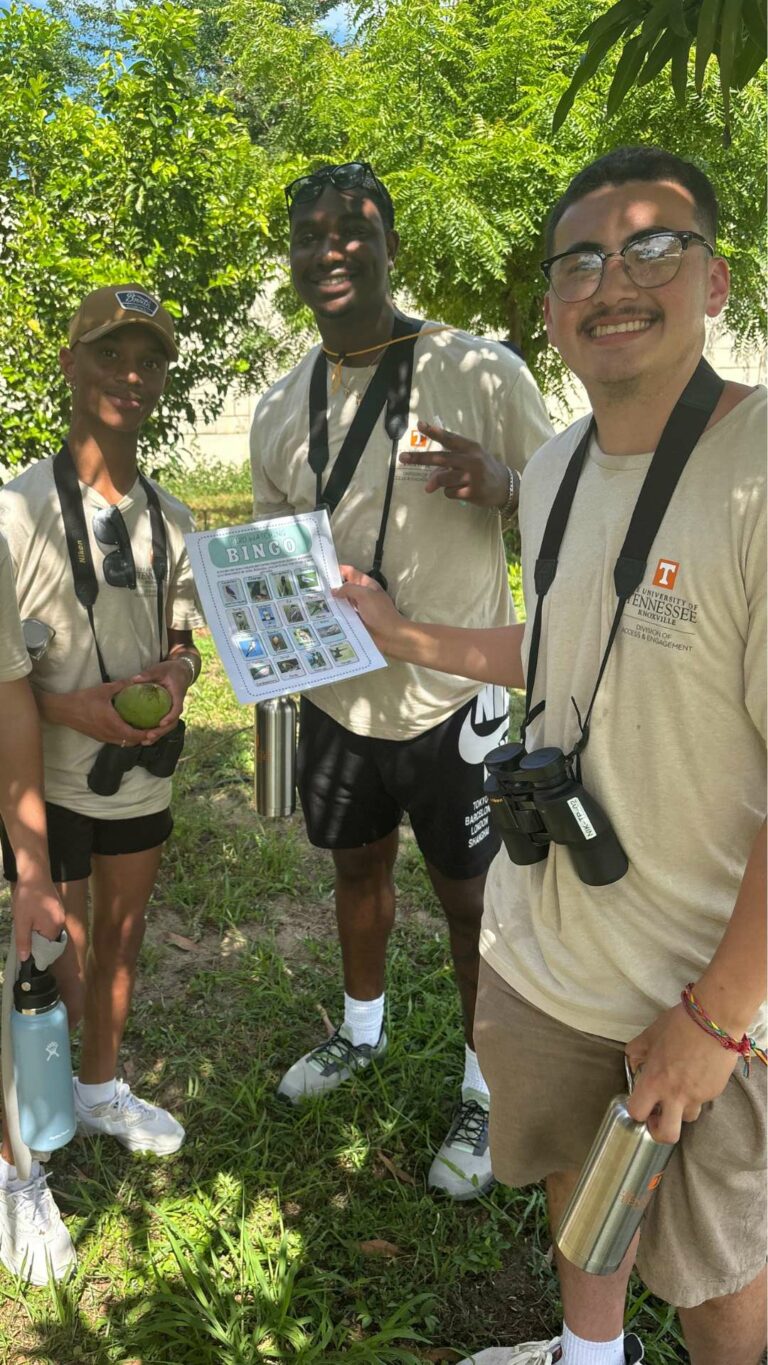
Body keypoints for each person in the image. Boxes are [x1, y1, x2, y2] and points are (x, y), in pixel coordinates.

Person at [336, 147, 766, 1364]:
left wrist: (719, 1018)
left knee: (718, 1270)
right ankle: (586, 1358)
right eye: (581, 258)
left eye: (652, 247)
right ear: (550, 308)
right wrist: (403, 632)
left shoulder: (759, 472)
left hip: (704, 985)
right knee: (581, 1179)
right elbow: (562, 642)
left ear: (716, 280)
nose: (613, 278)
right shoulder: (561, 465)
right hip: (549, 945)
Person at [250, 160, 552, 1198]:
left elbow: (569, 506)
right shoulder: (280, 408)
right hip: (339, 700)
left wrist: (506, 485)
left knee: (475, 906)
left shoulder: (478, 369)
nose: (329, 250)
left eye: (352, 230)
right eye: (309, 235)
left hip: (455, 701)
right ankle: (362, 1034)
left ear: (390, 245)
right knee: (356, 874)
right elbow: (274, 553)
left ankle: (482, 1089)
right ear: (292, 258)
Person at [0, 286, 204, 1283]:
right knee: (35, 963)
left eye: (150, 358)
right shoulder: (11, 512)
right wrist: (72, 710)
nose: (132, 375)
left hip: (135, 776)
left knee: (119, 938)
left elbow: (181, 637)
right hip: (37, 775)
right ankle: (16, 1169)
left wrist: (176, 673)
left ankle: (96, 1086)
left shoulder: (173, 515)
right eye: (111, 355)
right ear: (73, 366)